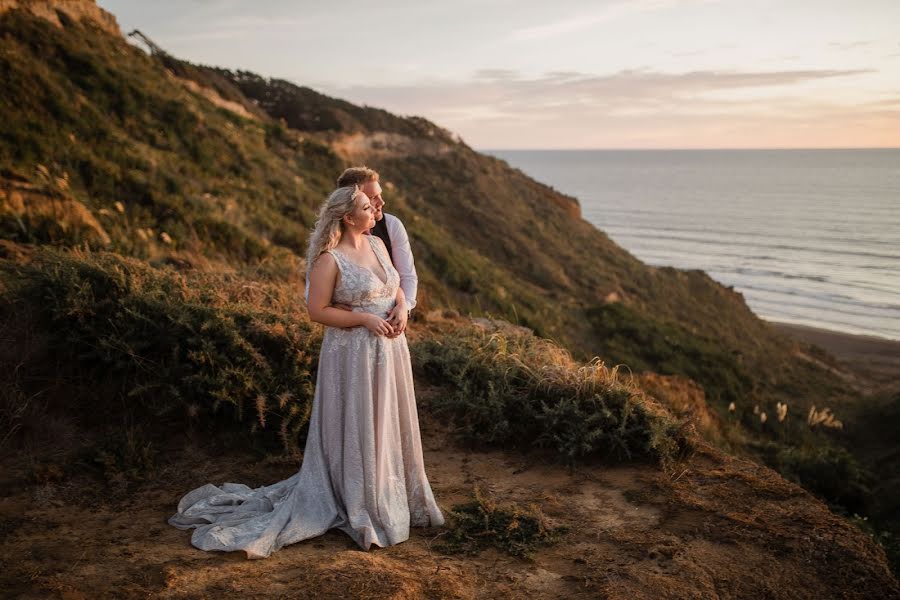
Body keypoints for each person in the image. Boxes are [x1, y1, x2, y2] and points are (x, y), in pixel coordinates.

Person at [168, 185, 444, 558]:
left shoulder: (377, 245)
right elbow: (317, 311)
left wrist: (399, 309)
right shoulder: (329, 260)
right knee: (360, 421)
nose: (376, 211)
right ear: (348, 217)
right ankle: (358, 496)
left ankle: (390, 490)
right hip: (353, 355)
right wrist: (363, 319)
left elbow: (395, 286)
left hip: (389, 351)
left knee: (386, 422)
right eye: (367, 207)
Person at [306, 167, 417, 335]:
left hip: (393, 327)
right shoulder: (329, 253)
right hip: (354, 338)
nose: (381, 203)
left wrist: (403, 309)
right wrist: (331, 308)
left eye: (380, 195)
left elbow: (405, 276)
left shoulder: (388, 230)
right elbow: (314, 296)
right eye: (371, 199)